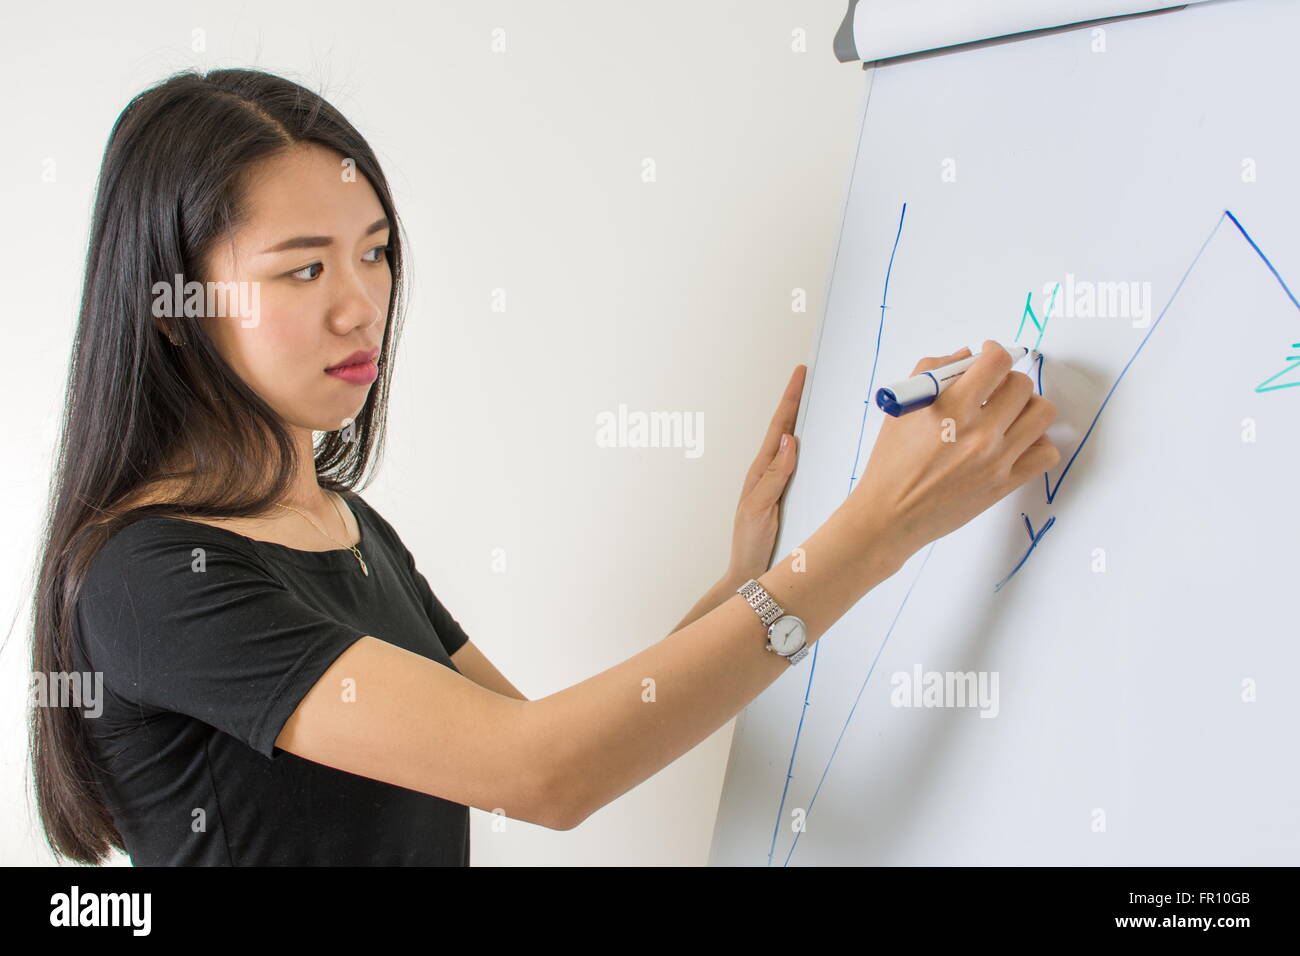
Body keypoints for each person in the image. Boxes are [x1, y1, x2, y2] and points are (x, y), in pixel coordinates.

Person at [28, 68, 1059, 866]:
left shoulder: (343, 524)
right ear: (173, 306)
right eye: (302, 267)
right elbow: (541, 775)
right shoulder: (153, 577)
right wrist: (876, 530)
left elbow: (535, 735)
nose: (360, 303)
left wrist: (750, 569)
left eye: (375, 250)